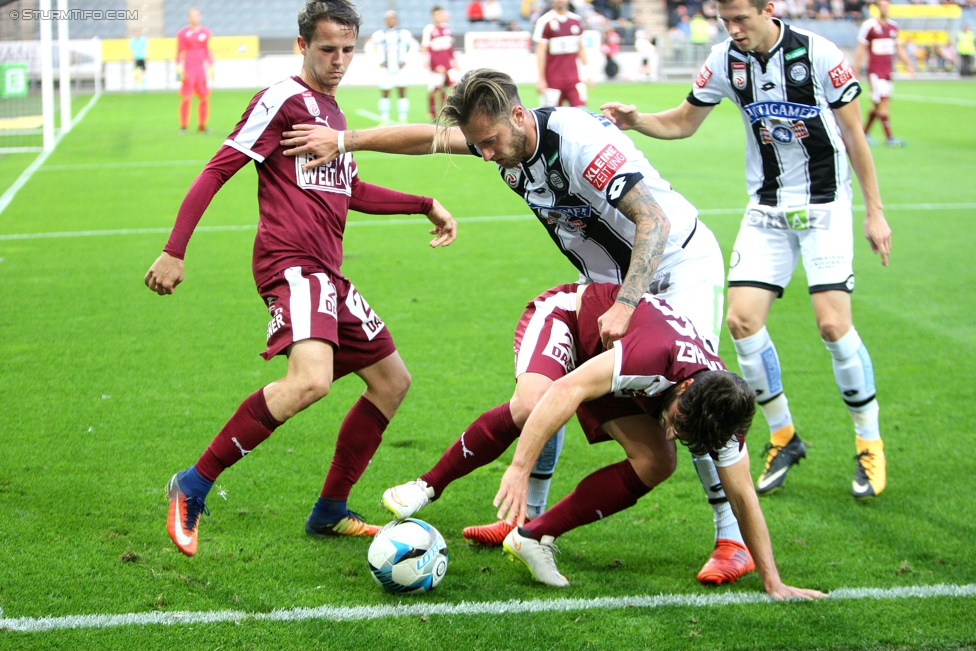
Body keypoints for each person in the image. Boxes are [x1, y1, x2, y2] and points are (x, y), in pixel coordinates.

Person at [279, 68, 758, 586]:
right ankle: (523, 520)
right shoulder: (500, 137)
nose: (485, 155)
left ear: (518, 115)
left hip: (675, 266)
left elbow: (654, 221)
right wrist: (345, 141)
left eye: (490, 143)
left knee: (694, 393)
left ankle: (730, 536)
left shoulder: (577, 142)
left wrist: (626, 301)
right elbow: (428, 138)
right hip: (608, 279)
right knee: (545, 388)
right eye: (478, 144)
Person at [144, 0, 457, 558]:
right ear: (302, 45)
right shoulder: (283, 99)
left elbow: (351, 191)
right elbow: (219, 168)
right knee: (310, 381)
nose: (338, 61)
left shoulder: (333, 116)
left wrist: (424, 203)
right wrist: (174, 250)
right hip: (291, 262)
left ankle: (330, 511)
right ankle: (191, 485)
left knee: (392, 382)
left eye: (346, 50)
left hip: (327, 273)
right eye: (326, 49)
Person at [601, 0, 892, 501]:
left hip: (824, 207)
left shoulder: (819, 54)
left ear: (768, 9)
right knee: (741, 322)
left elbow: (852, 134)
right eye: (725, 21)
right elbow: (684, 122)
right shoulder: (723, 61)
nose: (734, 30)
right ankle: (784, 435)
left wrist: (875, 210)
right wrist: (637, 119)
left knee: (831, 324)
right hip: (766, 211)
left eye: (742, 19)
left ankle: (869, 441)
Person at [390, 280, 823, 600]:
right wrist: (519, 468)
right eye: (675, 422)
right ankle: (425, 486)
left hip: (616, 371)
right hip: (570, 321)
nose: (671, 431)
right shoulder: (654, 354)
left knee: (659, 461)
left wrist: (773, 581)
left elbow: (744, 496)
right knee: (531, 403)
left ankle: (534, 537)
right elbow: (566, 390)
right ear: (687, 390)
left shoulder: (725, 415)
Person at [854, 0, 915, 147]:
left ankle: (864, 134)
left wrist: (909, 65)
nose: (885, 8)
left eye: (887, 5)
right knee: (883, 103)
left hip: (888, 71)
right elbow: (861, 48)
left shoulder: (893, 26)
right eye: (882, 5)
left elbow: (899, 47)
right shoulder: (869, 26)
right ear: (877, 8)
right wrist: (856, 69)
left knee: (877, 105)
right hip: (875, 71)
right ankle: (890, 138)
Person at [365, 10, 419, 124]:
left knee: (402, 92)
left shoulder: (403, 33)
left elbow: (415, 45)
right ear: (385, 20)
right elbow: (368, 46)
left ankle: (403, 118)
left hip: (400, 69)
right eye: (389, 18)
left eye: (393, 18)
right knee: (385, 93)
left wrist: (406, 59)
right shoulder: (379, 34)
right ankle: (384, 118)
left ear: (396, 20)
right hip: (386, 69)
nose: (391, 20)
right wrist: (378, 60)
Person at [534, 0, 589, 107]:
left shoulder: (576, 20)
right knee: (550, 117)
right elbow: (541, 53)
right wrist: (541, 79)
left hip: (574, 80)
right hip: (553, 81)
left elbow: (581, 49)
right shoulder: (545, 21)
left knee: (580, 114)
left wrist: (588, 73)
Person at [175, 8, 214, 134]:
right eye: (192, 16)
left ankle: (202, 126)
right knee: (186, 97)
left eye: (197, 15)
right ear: (188, 18)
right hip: (188, 68)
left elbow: (207, 50)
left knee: (204, 97)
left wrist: (211, 64)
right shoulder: (182, 33)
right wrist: (178, 67)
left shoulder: (205, 32)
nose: (195, 18)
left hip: (200, 69)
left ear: (199, 17)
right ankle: (184, 127)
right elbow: (179, 51)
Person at [421, 6, 458, 120]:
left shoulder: (447, 29)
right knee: (435, 88)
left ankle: (445, 111)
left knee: (451, 86)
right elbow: (426, 48)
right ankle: (432, 111)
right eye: (436, 14)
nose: (438, 16)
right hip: (436, 65)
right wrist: (429, 63)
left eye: (440, 14)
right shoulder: (429, 29)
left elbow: (451, 47)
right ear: (432, 16)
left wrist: (455, 61)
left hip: (447, 64)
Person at [129, 28, 148, 92]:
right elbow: (131, 49)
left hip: (142, 57)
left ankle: (143, 87)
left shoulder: (143, 40)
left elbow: (145, 48)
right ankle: (135, 87)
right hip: (136, 58)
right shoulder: (132, 40)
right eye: (136, 32)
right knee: (136, 73)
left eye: (139, 32)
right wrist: (132, 57)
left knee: (143, 72)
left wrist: (147, 56)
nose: (138, 33)